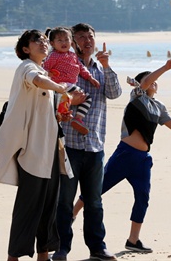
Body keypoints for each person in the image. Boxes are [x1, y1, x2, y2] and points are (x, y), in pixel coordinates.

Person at [73, 58, 171, 253]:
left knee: (143, 197)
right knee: (98, 188)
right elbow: (145, 84)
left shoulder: (158, 106)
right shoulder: (137, 96)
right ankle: (72, 213)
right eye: (148, 78)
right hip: (125, 154)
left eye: (154, 79)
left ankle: (133, 240)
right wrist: (165, 67)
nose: (152, 81)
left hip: (143, 160)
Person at [0, 29, 85, 261]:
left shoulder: (44, 71)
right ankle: (13, 257)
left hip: (51, 153)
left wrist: (61, 113)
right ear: (26, 48)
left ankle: (43, 256)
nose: (43, 43)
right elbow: (37, 80)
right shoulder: (27, 67)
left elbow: (46, 110)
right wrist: (61, 87)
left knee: (48, 210)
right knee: (27, 209)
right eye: (37, 40)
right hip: (32, 153)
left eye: (45, 40)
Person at [53, 23, 122, 261]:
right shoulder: (66, 64)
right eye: (80, 37)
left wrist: (106, 65)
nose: (86, 40)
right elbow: (51, 95)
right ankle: (61, 248)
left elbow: (114, 94)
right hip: (69, 145)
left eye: (90, 36)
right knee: (64, 201)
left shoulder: (101, 69)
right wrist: (70, 101)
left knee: (94, 201)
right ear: (72, 41)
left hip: (95, 146)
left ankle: (97, 248)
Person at [44, 26, 100, 135]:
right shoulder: (53, 56)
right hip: (60, 84)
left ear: (71, 42)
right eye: (60, 40)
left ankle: (77, 118)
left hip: (70, 85)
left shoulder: (72, 55)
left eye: (66, 39)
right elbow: (44, 67)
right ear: (52, 43)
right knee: (66, 100)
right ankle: (65, 115)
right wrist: (48, 74)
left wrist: (90, 77)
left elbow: (81, 67)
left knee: (86, 98)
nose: (64, 42)